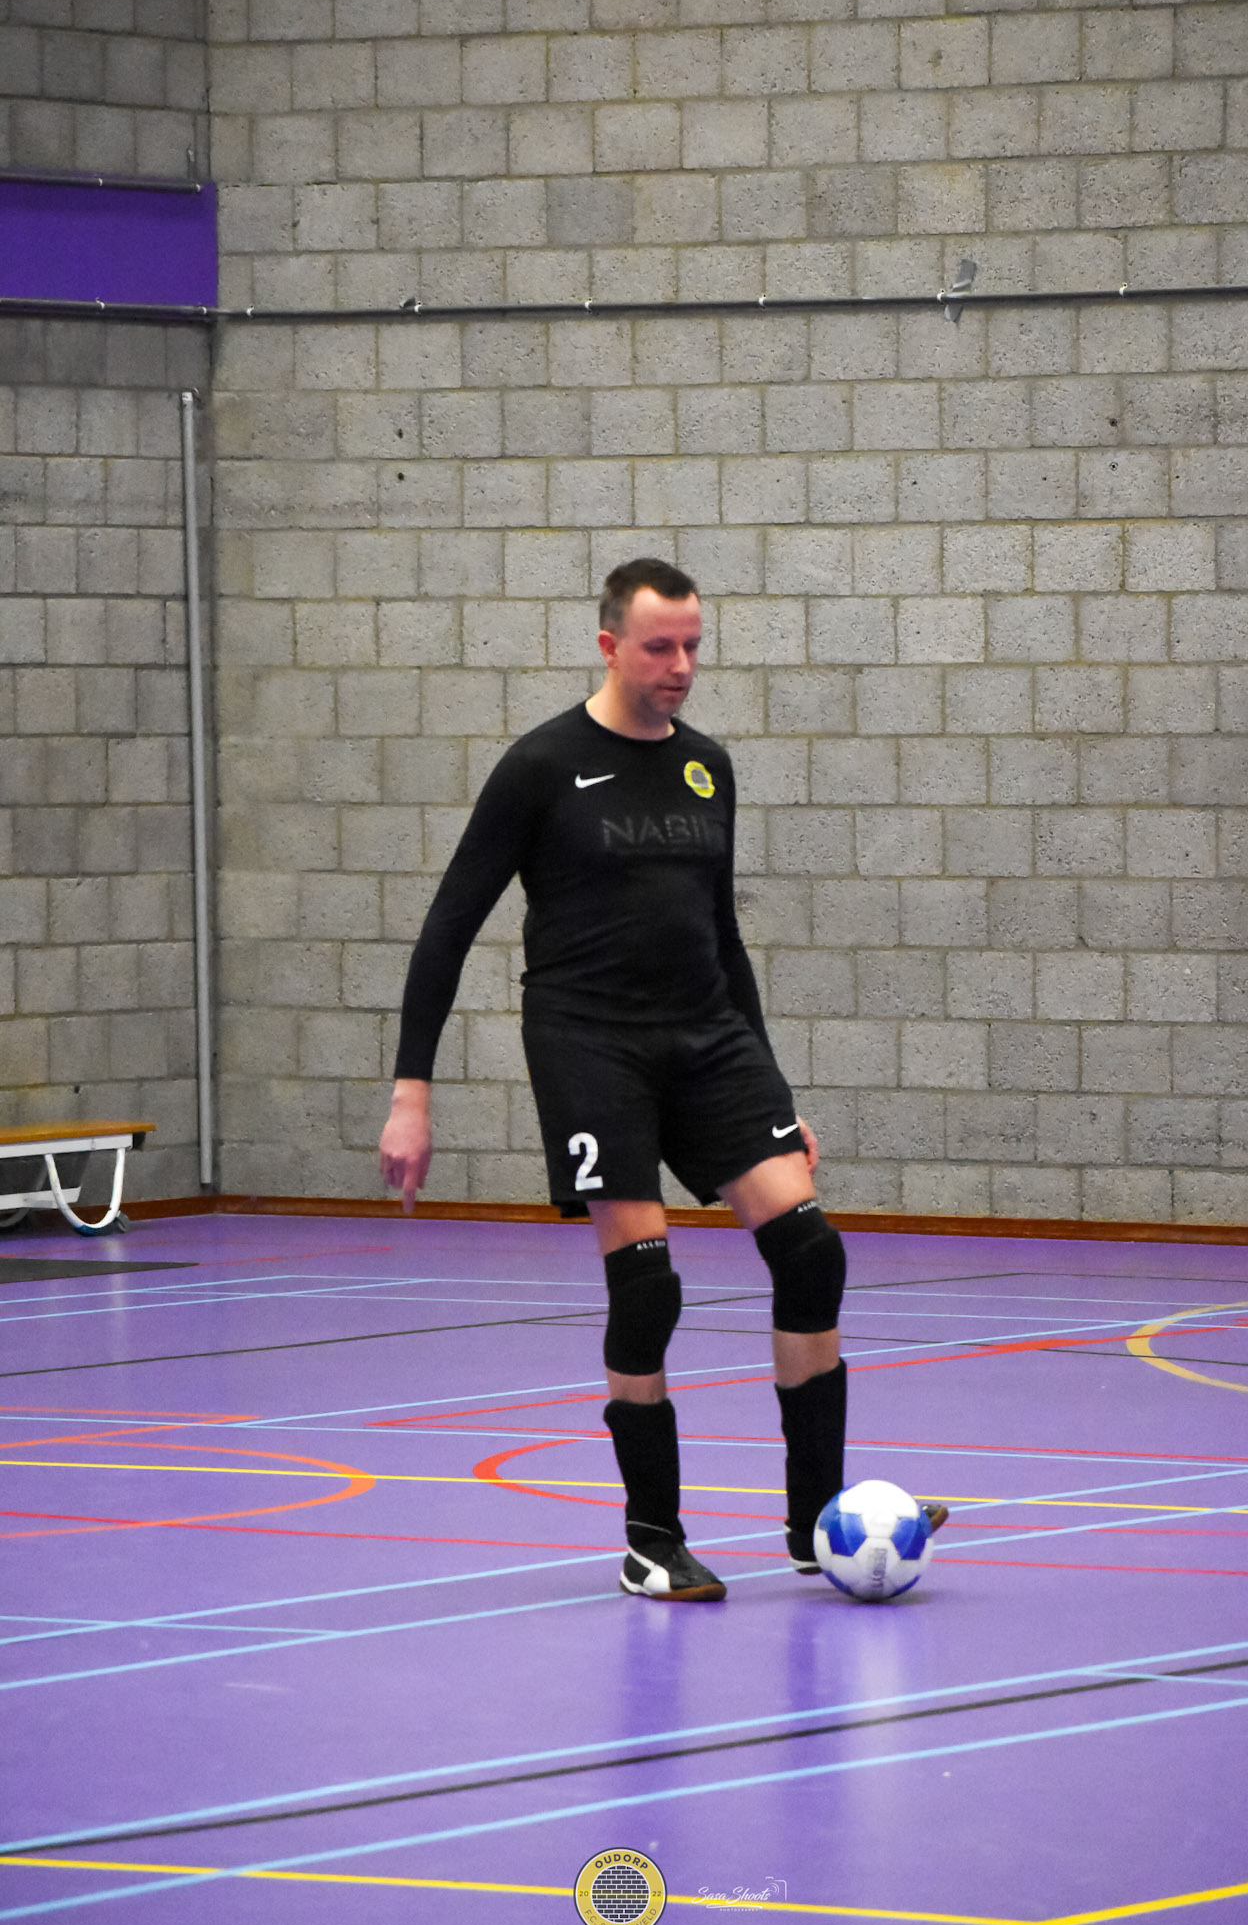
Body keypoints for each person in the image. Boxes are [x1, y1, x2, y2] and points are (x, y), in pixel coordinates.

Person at [379, 558, 945, 1600]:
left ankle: (813, 1520)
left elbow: (722, 935)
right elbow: (448, 925)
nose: (680, 665)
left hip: (707, 1036)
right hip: (591, 1045)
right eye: (658, 646)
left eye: (692, 645)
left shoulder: (706, 767)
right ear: (609, 645)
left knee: (811, 1252)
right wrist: (411, 1090)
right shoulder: (542, 765)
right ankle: (651, 1539)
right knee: (649, 1283)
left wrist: (776, 1095)